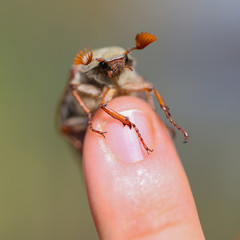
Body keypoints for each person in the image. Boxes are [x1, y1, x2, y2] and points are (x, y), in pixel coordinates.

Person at [83, 96, 205, 240]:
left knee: (147, 86)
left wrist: (163, 117)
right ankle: (134, 125)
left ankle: (158, 118)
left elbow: (148, 88)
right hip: (89, 118)